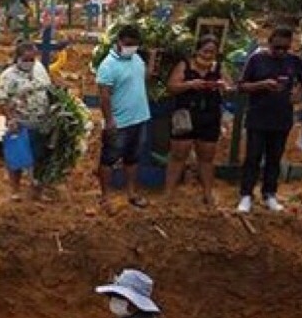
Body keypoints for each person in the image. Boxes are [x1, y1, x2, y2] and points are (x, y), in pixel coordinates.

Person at [236, 27, 302, 213]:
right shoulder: (256, 59)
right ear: (270, 43)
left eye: (285, 48)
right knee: (253, 157)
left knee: (274, 158)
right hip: (258, 116)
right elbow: (242, 86)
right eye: (277, 47)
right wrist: (262, 84)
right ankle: (246, 194)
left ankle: (269, 193)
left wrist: (298, 93)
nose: (281, 52)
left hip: (282, 117)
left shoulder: (294, 61)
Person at [164, 35, 228, 206]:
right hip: (185, 115)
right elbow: (171, 86)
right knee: (178, 154)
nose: (208, 55)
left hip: (209, 116)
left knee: (207, 157)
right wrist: (190, 84)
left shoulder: (218, 67)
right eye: (205, 51)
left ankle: (207, 193)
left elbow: (229, 87)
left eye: (212, 52)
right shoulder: (184, 65)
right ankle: (168, 194)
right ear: (197, 50)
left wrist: (222, 86)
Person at [96, 25, 151, 208]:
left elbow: (142, 79)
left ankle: (131, 193)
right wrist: (110, 120)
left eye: (135, 44)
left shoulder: (137, 59)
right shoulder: (107, 65)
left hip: (139, 118)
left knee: (132, 158)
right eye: (128, 44)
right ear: (119, 41)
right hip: (119, 123)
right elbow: (104, 96)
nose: (131, 47)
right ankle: (105, 197)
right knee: (109, 159)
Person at [0, 40, 59, 201]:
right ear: (17, 58)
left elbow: (48, 89)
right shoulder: (8, 76)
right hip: (19, 122)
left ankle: (38, 190)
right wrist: (11, 119)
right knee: (17, 157)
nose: (29, 62)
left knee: (40, 156)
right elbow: (2, 100)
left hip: (40, 120)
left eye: (32, 59)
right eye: (26, 59)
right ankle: (15, 190)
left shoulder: (39, 70)